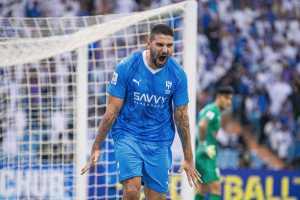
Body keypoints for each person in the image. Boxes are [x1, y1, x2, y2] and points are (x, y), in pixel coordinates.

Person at [81, 24, 201, 200]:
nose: (165, 50)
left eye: (169, 45)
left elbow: (182, 118)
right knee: (131, 190)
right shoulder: (127, 67)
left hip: (159, 141)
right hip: (128, 135)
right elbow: (112, 112)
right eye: (160, 45)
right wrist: (97, 145)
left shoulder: (178, 75)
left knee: (156, 197)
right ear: (148, 43)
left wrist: (189, 158)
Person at [195, 86, 233, 200]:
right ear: (219, 97)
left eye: (230, 99)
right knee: (216, 187)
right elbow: (202, 125)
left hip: (202, 152)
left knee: (202, 188)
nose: (229, 102)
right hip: (206, 153)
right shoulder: (213, 110)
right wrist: (202, 144)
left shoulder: (208, 108)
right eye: (226, 98)